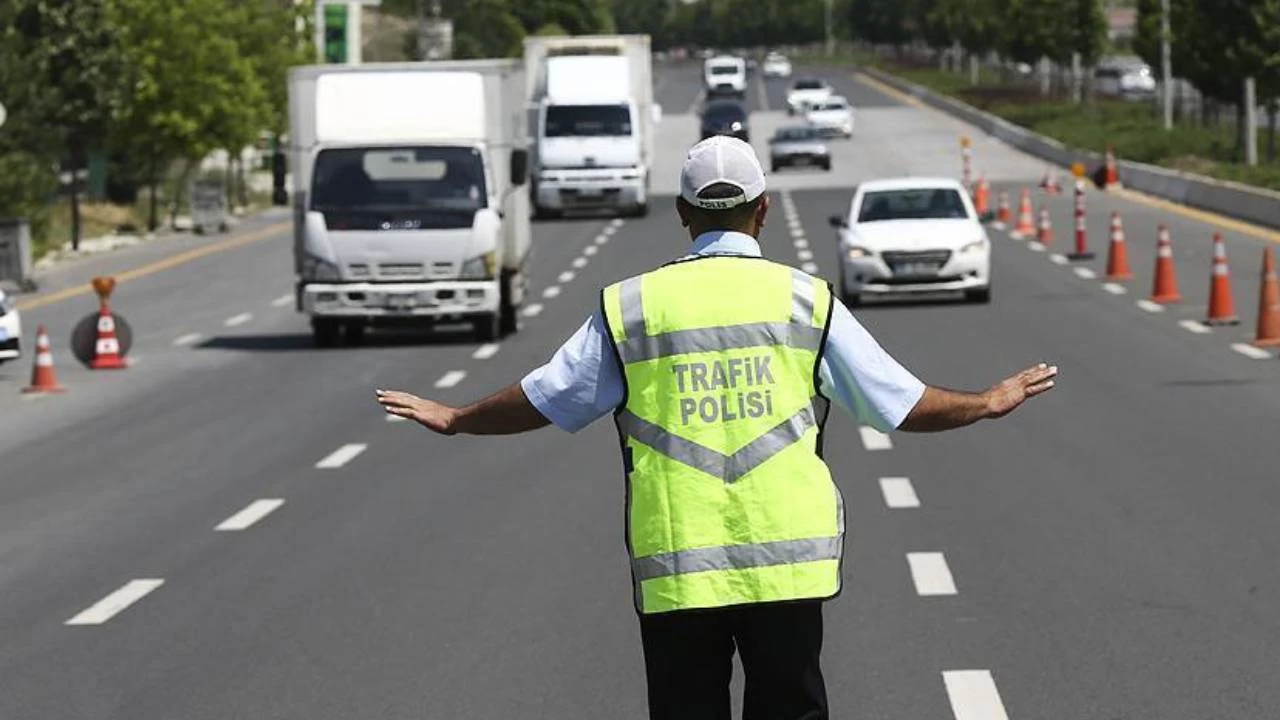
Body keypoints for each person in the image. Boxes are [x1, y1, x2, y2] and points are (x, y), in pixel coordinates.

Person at [375, 135, 1057, 720]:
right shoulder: (805, 300)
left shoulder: (634, 307)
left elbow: (548, 398)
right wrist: (986, 400)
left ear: (682, 214)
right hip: (788, 567)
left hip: (679, 565)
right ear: (762, 211)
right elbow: (899, 405)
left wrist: (457, 418)